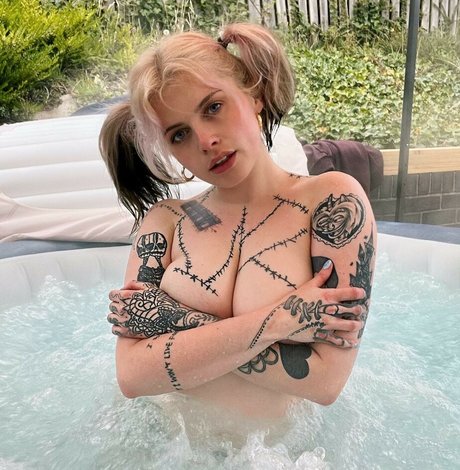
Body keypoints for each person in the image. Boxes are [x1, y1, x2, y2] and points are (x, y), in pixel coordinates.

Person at [100, 23, 376, 420]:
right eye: (179, 135)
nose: (205, 141)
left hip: (276, 452)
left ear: (254, 93)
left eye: (213, 108)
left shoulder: (330, 202)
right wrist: (282, 321)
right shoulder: (166, 222)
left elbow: (325, 382)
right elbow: (132, 376)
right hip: (172, 445)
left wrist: (170, 319)